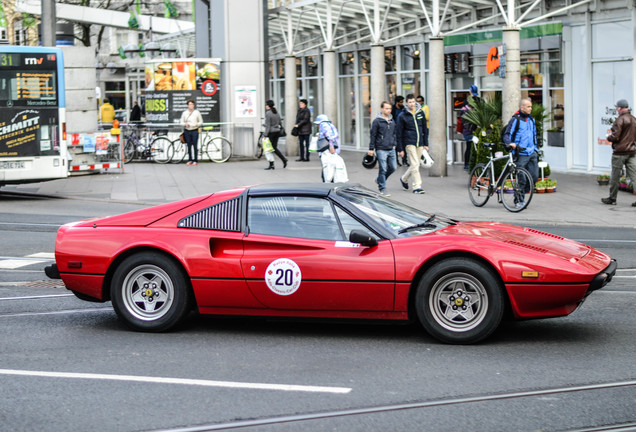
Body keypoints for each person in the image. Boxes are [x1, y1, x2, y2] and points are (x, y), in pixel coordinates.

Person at [503, 97, 539, 209]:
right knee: (522, 178)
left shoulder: (531, 120)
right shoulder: (516, 119)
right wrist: (510, 143)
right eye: (528, 107)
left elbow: (534, 134)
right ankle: (518, 200)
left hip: (532, 152)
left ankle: (522, 193)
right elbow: (507, 134)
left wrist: (536, 148)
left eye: (531, 106)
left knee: (534, 177)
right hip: (520, 153)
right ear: (522, 107)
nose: (530, 109)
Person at [602, 99, 636, 206]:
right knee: (634, 176)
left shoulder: (620, 120)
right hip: (632, 151)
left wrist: (608, 137)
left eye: (617, 107)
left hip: (620, 152)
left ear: (620, 108)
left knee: (615, 176)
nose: (616, 109)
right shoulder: (634, 119)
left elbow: (615, 137)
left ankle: (612, 199)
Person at [396, 94, 428, 194]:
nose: (412, 104)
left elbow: (425, 129)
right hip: (409, 142)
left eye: (413, 102)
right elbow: (399, 133)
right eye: (410, 102)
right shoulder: (402, 116)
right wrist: (400, 149)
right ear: (406, 103)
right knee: (414, 164)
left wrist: (426, 143)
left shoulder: (420, 113)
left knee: (416, 164)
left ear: (416, 102)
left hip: (420, 142)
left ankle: (404, 179)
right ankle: (417, 186)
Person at [368, 101, 397, 196]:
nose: (389, 110)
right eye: (386, 108)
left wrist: (395, 143)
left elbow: (394, 133)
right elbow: (373, 135)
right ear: (382, 109)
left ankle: (379, 179)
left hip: (391, 148)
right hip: (381, 148)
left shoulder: (392, 120)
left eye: (390, 109)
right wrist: (371, 148)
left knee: (393, 167)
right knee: (383, 168)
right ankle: (382, 187)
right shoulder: (377, 121)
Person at [314, 114, 341, 182]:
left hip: (327, 151)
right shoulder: (331, 126)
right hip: (332, 150)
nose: (318, 125)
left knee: (327, 170)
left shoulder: (324, 125)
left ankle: (327, 184)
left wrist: (331, 146)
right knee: (330, 168)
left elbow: (330, 136)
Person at [460, 86, 480, 170]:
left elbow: (462, 119)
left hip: (469, 130)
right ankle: (471, 164)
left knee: (469, 147)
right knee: (473, 148)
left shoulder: (465, 104)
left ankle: (467, 164)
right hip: (475, 130)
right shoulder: (479, 101)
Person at [264, 100, 288, 170]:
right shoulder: (276, 112)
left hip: (271, 133)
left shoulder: (268, 113)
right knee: (274, 148)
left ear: (268, 106)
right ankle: (283, 159)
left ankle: (272, 164)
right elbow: (280, 122)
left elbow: (268, 125)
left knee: (268, 149)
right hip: (277, 132)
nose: (265, 106)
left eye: (266, 105)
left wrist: (265, 135)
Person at [180, 99, 203, 165]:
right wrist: (185, 124)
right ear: (187, 105)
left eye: (192, 104)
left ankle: (195, 160)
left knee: (195, 145)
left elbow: (201, 121)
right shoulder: (185, 113)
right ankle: (190, 159)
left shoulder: (197, 112)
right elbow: (181, 122)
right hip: (187, 131)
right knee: (189, 145)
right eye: (190, 104)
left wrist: (196, 124)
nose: (191, 106)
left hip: (195, 130)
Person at [392, 96, 406, 166]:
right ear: (397, 102)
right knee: (395, 145)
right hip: (395, 129)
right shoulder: (392, 109)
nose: (402, 103)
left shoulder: (403, 108)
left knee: (403, 144)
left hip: (403, 129)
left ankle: (404, 160)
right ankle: (396, 161)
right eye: (401, 102)